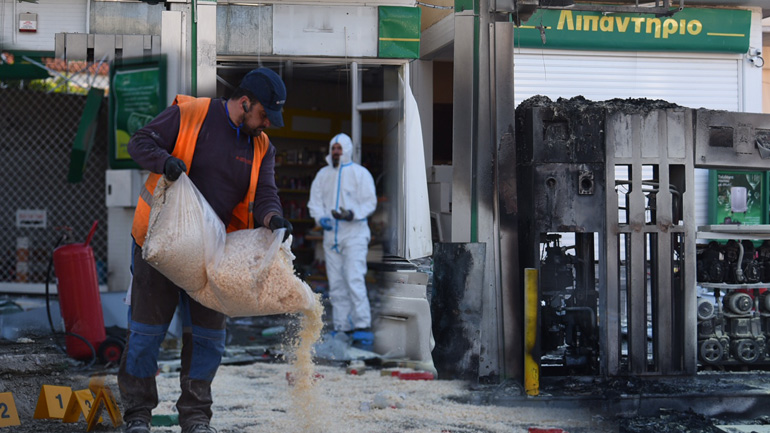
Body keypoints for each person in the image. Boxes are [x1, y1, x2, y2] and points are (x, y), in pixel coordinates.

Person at [118, 67, 293, 433]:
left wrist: (273, 218)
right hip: (162, 245)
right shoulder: (191, 113)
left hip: (214, 254)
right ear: (244, 102)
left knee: (209, 340)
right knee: (146, 335)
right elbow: (140, 142)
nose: (267, 125)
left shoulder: (262, 147)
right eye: (263, 115)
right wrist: (164, 163)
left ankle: (196, 417)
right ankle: (137, 415)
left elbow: (265, 195)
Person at [307, 133, 377, 347]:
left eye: (339, 148)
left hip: (354, 234)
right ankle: (342, 326)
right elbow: (315, 202)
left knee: (354, 279)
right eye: (333, 148)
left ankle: (362, 325)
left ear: (346, 150)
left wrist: (351, 214)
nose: (336, 152)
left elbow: (369, 202)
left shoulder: (360, 174)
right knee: (336, 283)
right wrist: (321, 218)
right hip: (331, 235)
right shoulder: (323, 175)